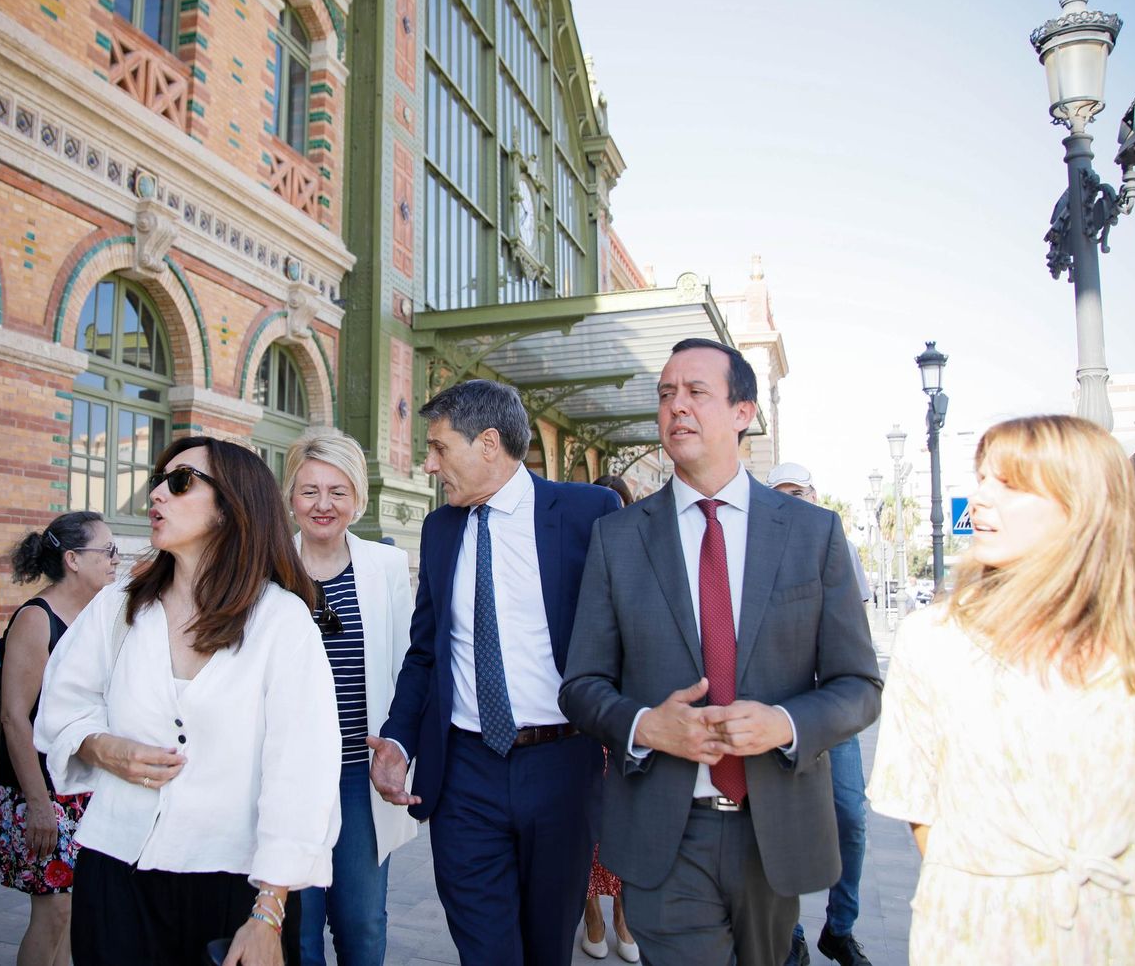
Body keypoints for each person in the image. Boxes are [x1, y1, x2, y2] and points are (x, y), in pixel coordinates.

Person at [560, 338, 882, 966]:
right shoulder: (617, 537)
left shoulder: (813, 534)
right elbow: (582, 685)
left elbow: (859, 686)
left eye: (695, 392)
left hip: (775, 826)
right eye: (665, 394)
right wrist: (646, 724)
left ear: (743, 411)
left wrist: (785, 723)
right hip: (662, 830)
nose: (676, 406)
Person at [867, 414, 1135, 963]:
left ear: (1082, 507)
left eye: (1009, 484)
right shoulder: (932, 642)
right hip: (976, 936)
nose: (980, 499)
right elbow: (919, 807)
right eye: (982, 478)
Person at [34, 436, 341, 966]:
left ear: (231, 508)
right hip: (116, 871)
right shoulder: (120, 606)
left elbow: (302, 772)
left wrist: (269, 909)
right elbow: (61, 705)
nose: (157, 493)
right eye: (158, 479)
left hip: (233, 884)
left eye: (180, 483)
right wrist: (102, 747)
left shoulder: (281, 622)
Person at [369, 379, 621, 966]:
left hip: (562, 764)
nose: (429, 465)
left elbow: (626, 631)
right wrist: (398, 739)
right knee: (485, 948)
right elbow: (425, 651)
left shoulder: (587, 513)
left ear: (488, 443)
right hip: (463, 775)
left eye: (438, 448)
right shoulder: (441, 530)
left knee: (547, 947)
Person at [283, 428, 417, 966]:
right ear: (290, 496)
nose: (323, 505)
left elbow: (407, 662)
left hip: (358, 771)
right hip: (289, 773)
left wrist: (401, 747)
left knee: (362, 924)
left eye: (337, 491)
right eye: (309, 490)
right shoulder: (267, 568)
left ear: (357, 499)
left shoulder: (384, 567)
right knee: (299, 927)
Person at [0, 511, 119, 966]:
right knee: (55, 913)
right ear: (71, 559)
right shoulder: (36, 619)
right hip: (41, 792)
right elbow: (13, 717)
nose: (115, 560)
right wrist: (39, 804)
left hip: (85, 786)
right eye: (106, 551)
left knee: (79, 913)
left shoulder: (99, 614)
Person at [767, 463, 873, 966]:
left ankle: (840, 926)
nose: (795, 501)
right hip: (779, 713)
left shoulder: (840, 545)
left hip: (833, 715)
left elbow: (856, 634)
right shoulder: (761, 553)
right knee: (779, 826)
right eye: (783, 494)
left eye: (801, 492)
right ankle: (788, 933)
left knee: (850, 818)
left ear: (815, 494)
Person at [580, 474, 639, 963]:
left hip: (631, 715)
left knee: (624, 821)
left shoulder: (639, 560)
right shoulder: (578, 562)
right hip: (586, 716)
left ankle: (622, 911)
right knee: (587, 821)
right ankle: (592, 912)